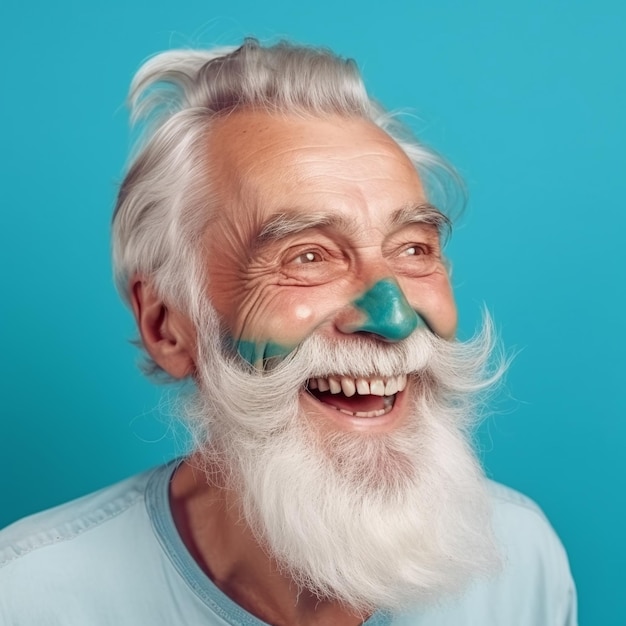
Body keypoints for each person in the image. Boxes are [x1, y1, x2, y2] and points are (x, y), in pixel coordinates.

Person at [0, 39, 577, 625]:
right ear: (167, 327)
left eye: (412, 248)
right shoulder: (29, 598)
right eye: (307, 256)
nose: (394, 316)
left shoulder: (520, 560)